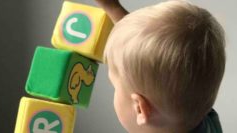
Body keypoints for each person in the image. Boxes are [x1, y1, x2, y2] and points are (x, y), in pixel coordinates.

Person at [94, 0, 226, 132]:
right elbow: (151, 56)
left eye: (115, 86)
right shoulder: (197, 112)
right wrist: (114, 8)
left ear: (140, 108)